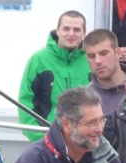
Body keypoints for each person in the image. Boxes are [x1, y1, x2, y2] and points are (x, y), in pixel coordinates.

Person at [17, 11, 90, 142]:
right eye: (66, 28)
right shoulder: (39, 60)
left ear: (84, 33)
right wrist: (41, 139)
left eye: (77, 30)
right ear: (57, 31)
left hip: (84, 145)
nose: (71, 34)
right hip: (46, 143)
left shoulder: (91, 60)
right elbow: (25, 103)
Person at [84, 29, 126, 118]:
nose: (98, 61)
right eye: (91, 56)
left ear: (118, 53)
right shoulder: (83, 100)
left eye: (103, 53)